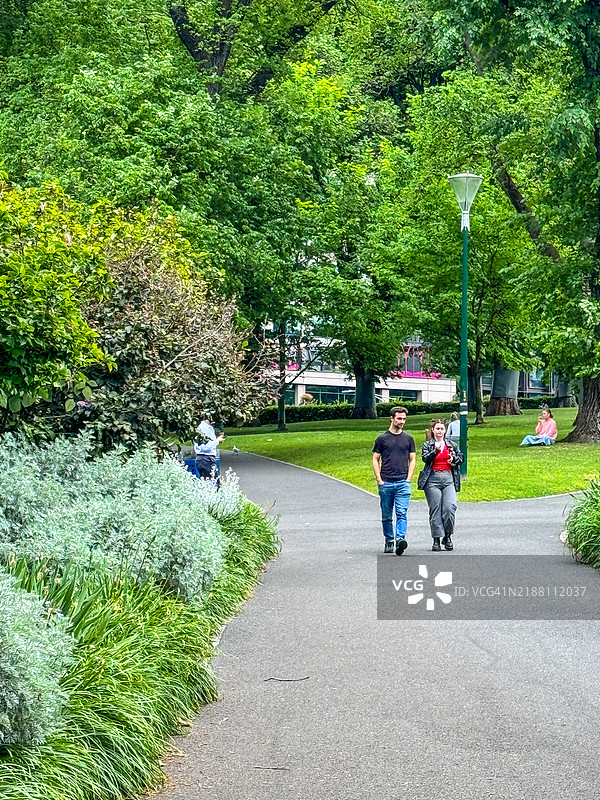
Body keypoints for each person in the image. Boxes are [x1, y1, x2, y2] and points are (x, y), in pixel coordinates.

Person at [372, 407, 416, 555]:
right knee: (386, 515)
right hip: (386, 482)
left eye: (404, 419)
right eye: (399, 418)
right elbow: (375, 458)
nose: (402, 421)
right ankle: (389, 540)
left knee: (402, 512)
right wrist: (379, 480)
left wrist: (409, 478)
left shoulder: (408, 438)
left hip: (403, 482)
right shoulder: (382, 438)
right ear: (391, 418)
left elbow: (412, 459)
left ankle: (400, 539)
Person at [418, 418, 464, 552]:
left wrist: (454, 459)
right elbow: (425, 458)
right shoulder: (428, 445)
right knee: (435, 509)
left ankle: (448, 536)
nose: (439, 431)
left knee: (449, 508)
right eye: (437, 429)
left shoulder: (451, 444)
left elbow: (461, 457)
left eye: (442, 429)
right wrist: (436, 451)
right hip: (432, 479)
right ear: (433, 430)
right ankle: (436, 539)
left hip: (448, 477)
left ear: (445, 430)